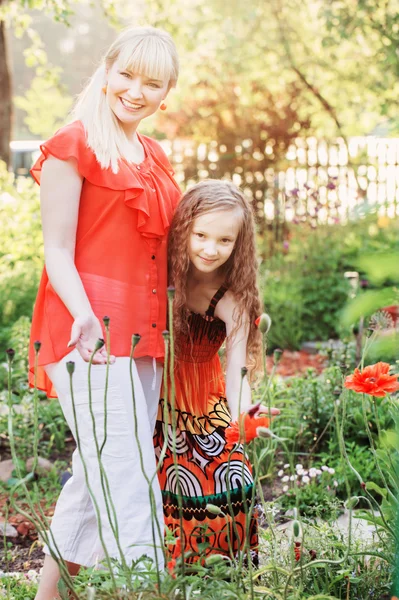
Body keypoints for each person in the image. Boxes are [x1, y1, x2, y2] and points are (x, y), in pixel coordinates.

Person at [28, 26, 181, 600]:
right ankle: (148, 591)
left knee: (97, 476)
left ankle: (48, 596)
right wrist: (85, 317)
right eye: (128, 74)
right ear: (107, 69)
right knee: (128, 473)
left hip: (143, 333)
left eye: (153, 82)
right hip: (86, 332)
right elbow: (56, 251)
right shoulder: (74, 143)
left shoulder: (153, 155)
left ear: (167, 92)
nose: (136, 91)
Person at [153, 179, 279, 564]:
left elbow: (236, 370)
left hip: (205, 410)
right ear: (182, 231)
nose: (210, 249)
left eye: (225, 241)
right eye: (201, 235)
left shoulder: (231, 301)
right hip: (152, 402)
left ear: (239, 244)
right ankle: (164, 579)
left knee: (233, 483)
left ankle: (223, 579)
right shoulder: (159, 272)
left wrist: (245, 416)